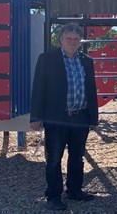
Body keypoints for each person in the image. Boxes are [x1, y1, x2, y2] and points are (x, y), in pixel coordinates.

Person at [30, 23, 99, 211]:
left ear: (80, 41)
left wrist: (93, 118)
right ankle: (53, 195)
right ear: (61, 39)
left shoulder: (86, 61)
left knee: (77, 157)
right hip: (56, 118)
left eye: (76, 39)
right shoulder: (47, 59)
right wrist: (35, 117)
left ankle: (74, 190)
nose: (72, 42)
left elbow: (91, 90)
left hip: (80, 118)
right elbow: (38, 89)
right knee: (54, 159)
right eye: (69, 38)